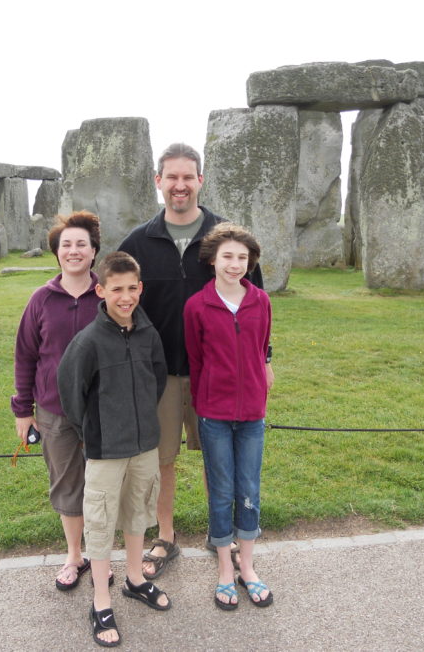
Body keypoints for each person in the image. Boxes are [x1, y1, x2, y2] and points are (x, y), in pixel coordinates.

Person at [118, 143, 273, 578]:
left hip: (220, 373)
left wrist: (266, 358)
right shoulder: (138, 242)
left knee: (218, 459)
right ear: (158, 182)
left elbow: (255, 302)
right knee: (161, 460)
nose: (180, 185)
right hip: (161, 372)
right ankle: (166, 537)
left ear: (200, 180)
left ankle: (219, 534)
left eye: (188, 177)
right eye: (172, 177)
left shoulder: (225, 237)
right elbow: (121, 301)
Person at [58, 251, 171, 647]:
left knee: (139, 510)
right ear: (100, 290)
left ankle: (135, 578)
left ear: (140, 288)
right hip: (105, 448)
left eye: (131, 288)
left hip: (144, 445)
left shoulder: (148, 333)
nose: (125, 297)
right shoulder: (88, 342)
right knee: (102, 521)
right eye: (116, 289)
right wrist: (94, 432)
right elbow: (72, 395)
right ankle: (101, 600)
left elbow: (157, 381)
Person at [10, 210, 102, 592]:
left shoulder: (108, 294)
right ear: (57, 253)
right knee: (66, 484)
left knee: (100, 486)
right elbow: (25, 355)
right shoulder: (42, 299)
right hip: (54, 409)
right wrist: (23, 410)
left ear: (94, 251)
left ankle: (100, 557)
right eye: (67, 245)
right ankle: (74, 555)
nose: (74, 251)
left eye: (82, 244)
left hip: (101, 409)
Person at [184, 223, 274, 610]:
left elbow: (261, 348)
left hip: (252, 412)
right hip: (214, 415)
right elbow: (196, 359)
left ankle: (248, 568)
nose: (235, 265)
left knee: (249, 490)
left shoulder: (261, 301)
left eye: (242, 258)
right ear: (212, 261)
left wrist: (259, 387)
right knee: (221, 493)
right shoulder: (196, 306)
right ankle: (224, 569)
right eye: (228, 257)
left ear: (250, 262)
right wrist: (205, 404)